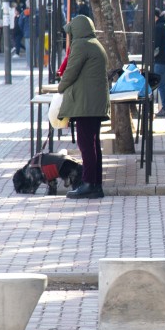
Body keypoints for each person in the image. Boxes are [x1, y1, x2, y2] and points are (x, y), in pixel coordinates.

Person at [57, 15, 110, 199]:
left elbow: (71, 71)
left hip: (86, 104)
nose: (69, 35)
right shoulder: (95, 43)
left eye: (70, 32)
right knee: (93, 143)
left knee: (86, 144)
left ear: (76, 30)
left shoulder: (81, 45)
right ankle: (95, 185)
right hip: (94, 103)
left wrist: (60, 87)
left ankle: (89, 184)